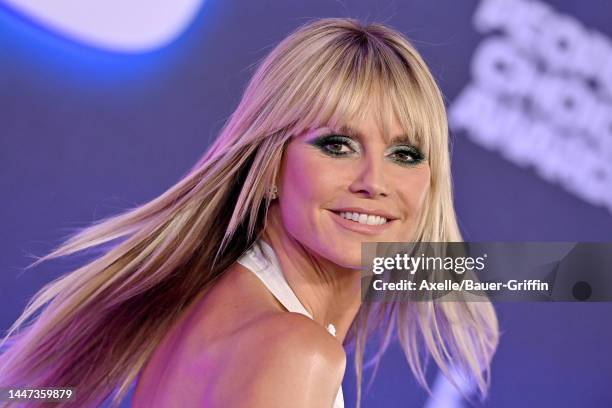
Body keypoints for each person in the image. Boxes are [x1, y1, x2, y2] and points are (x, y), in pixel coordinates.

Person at [0, 17, 499, 408]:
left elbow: (538, 273)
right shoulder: (296, 352)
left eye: (405, 154)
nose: (374, 182)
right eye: (337, 144)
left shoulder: (221, 304)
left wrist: (569, 274)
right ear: (269, 167)